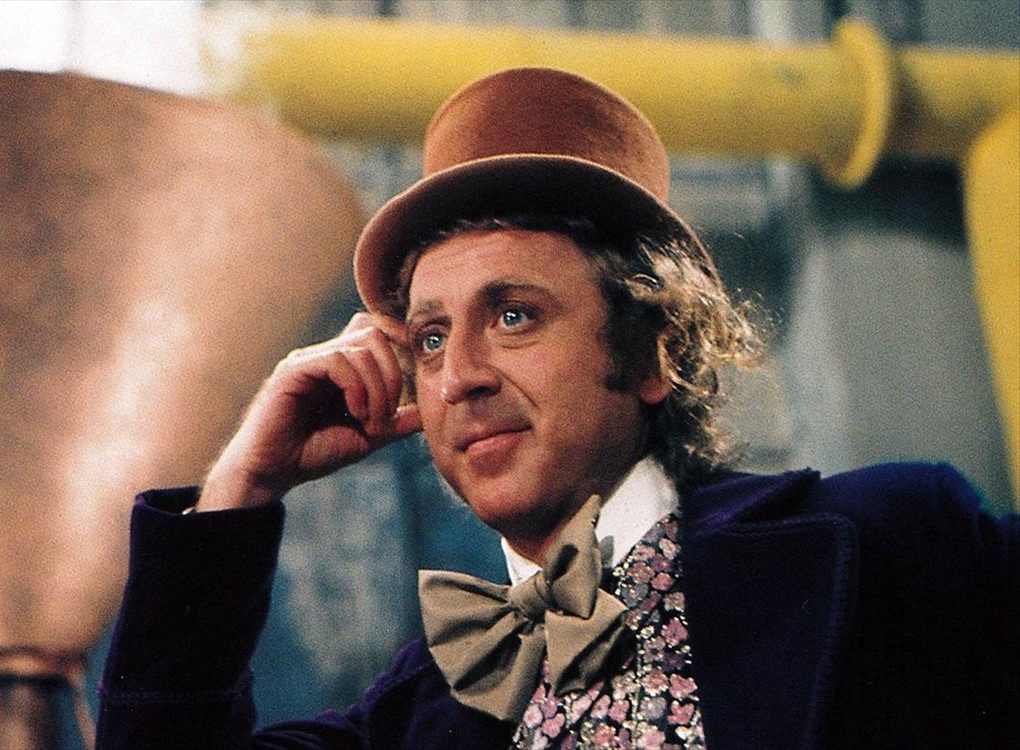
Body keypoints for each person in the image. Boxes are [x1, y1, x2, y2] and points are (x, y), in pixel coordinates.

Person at [96, 68, 1018, 749]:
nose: (458, 377)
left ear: (653, 351)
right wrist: (243, 485)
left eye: (513, 316)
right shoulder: (416, 715)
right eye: (429, 338)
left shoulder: (900, 540)